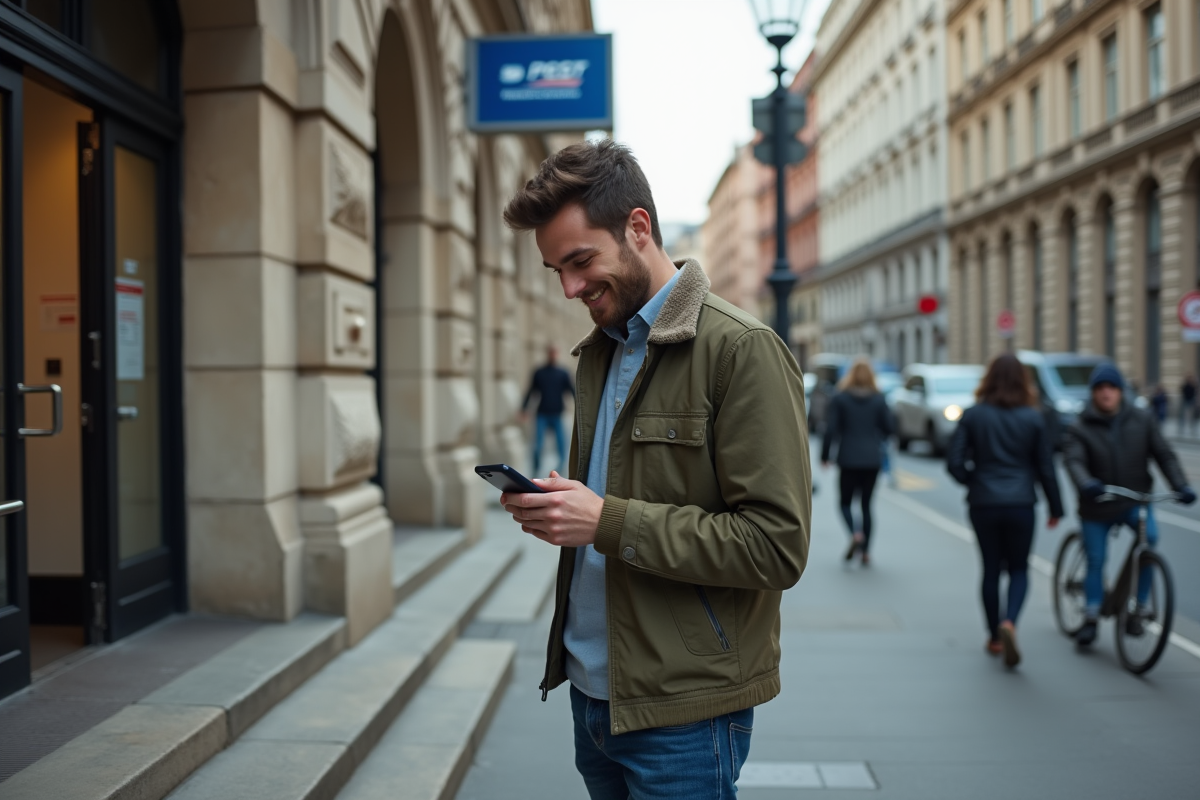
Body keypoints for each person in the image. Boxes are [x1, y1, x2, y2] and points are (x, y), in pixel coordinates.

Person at [498, 140, 811, 800]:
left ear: (638, 228)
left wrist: (605, 520)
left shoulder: (742, 351)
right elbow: (617, 507)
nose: (570, 288)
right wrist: (564, 511)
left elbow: (776, 547)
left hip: (686, 712)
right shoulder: (599, 354)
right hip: (592, 696)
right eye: (556, 269)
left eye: (580, 262)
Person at [1062, 364, 1197, 646]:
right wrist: (1086, 484)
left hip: (1134, 500)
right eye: (1100, 389)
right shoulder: (1080, 427)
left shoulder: (1142, 420)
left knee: (1149, 541)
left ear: (1121, 391)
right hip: (1098, 504)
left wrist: (1180, 485)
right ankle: (1090, 616)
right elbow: (1074, 461)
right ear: (1094, 394)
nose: (1106, 393)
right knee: (1097, 559)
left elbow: (1164, 455)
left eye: (1111, 388)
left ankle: (1136, 608)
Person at [947, 354, 1064, 667]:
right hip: (1021, 503)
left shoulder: (973, 415)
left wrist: (974, 480)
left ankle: (994, 637)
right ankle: (1010, 621)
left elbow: (954, 462)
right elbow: (1045, 467)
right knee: (1019, 569)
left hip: (984, 503)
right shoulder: (1033, 418)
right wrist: (1056, 506)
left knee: (989, 569)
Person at [820, 358, 893, 566]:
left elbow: (831, 429)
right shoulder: (879, 399)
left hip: (848, 458)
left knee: (844, 502)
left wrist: (825, 456)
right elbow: (889, 428)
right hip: (872, 459)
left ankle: (855, 534)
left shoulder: (840, 398)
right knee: (867, 505)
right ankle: (866, 551)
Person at [522, 345, 575, 475]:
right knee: (537, 446)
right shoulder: (539, 372)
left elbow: (572, 391)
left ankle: (558, 473)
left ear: (558, 354)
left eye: (555, 353)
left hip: (558, 414)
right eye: (551, 353)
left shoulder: (563, 373)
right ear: (547, 354)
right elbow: (531, 391)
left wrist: (580, 408)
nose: (553, 355)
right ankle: (535, 472)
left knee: (562, 447)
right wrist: (523, 409)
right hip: (542, 414)